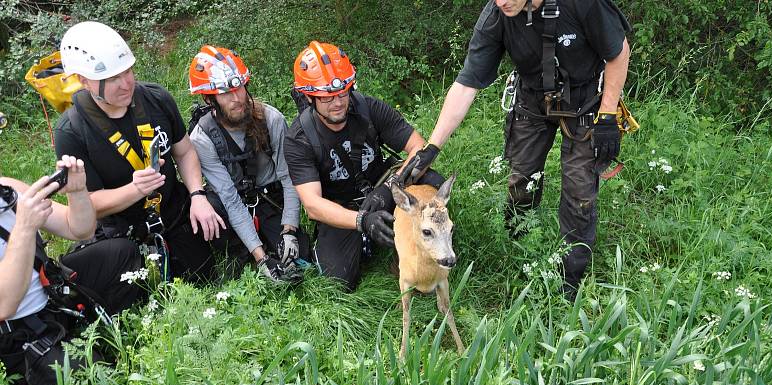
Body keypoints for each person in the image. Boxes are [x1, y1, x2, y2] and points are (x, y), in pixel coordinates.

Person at [401, 0, 631, 297]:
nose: (502, 1)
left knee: (579, 193)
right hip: (534, 99)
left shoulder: (580, 3)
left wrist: (608, 115)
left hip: (586, 100)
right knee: (521, 182)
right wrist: (433, 146)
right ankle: (519, 253)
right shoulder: (497, 14)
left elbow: (618, 51)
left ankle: (569, 280)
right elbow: (467, 83)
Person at [54, 21, 225, 283]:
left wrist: (198, 195)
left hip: (174, 213)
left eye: (128, 71)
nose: (126, 84)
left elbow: (185, 152)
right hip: (123, 233)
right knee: (142, 299)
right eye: (112, 79)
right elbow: (88, 205)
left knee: (208, 276)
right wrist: (134, 190)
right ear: (83, 80)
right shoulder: (72, 130)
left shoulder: (155, 98)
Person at [284, 41, 444, 291]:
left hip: (382, 185)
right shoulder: (299, 138)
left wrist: (390, 188)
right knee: (337, 281)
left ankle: (414, 254)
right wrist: (362, 221)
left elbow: (418, 148)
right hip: (340, 208)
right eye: (326, 97)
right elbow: (313, 205)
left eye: (343, 93)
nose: (337, 102)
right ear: (309, 97)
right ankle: (366, 241)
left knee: (432, 181)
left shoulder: (368, 108)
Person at [1, 156, 142, 385]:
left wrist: (77, 193)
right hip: (18, 332)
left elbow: (79, 229)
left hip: (51, 295)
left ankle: (100, 331)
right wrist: (24, 226)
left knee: (120, 254)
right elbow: (5, 304)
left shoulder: (7, 191)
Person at [188, 45, 310, 282]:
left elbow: (288, 176)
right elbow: (229, 198)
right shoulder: (202, 138)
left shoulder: (271, 119)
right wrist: (261, 257)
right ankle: (242, 250)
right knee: (213, 207)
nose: (236, 99)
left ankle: (273, 240)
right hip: (230, 202)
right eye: (225, 93)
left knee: (300, 257)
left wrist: (289, 230)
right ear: (209, 98)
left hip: (269, 199)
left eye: (239, 88)